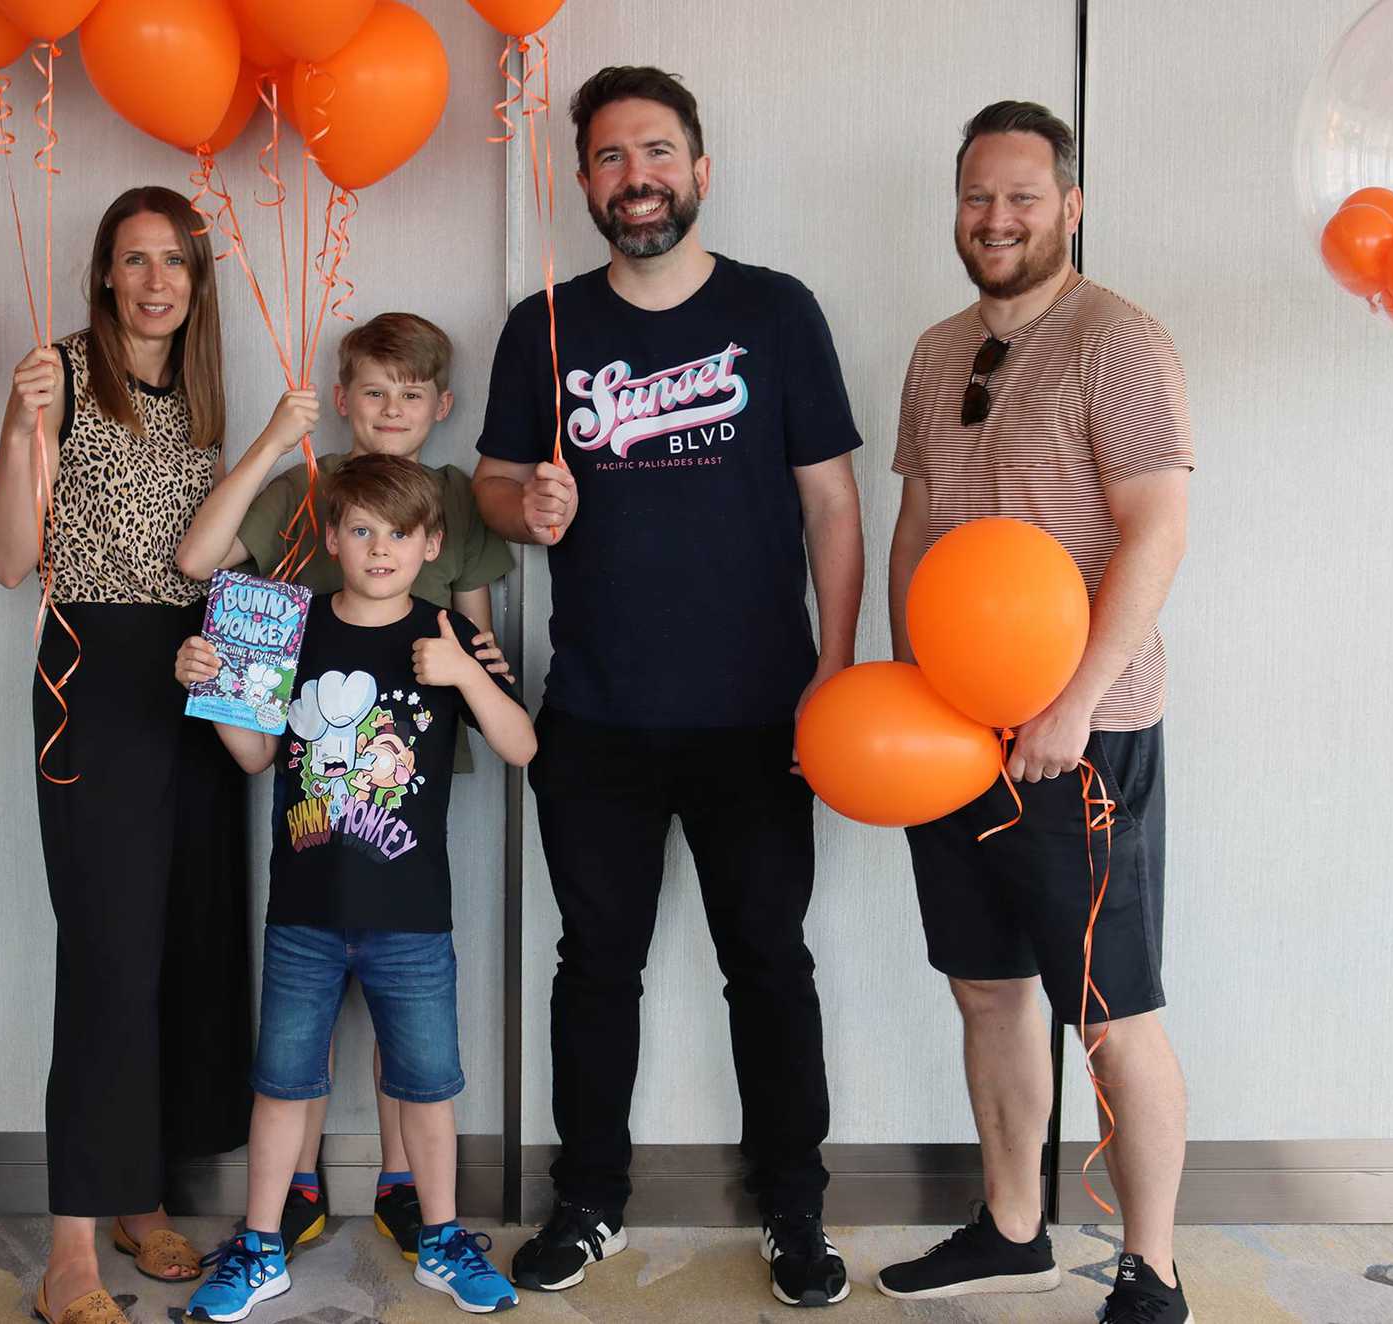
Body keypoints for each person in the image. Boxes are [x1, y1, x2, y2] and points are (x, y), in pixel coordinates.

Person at [471, 65, 865, 1308]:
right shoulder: (542, 325)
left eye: (655, 152)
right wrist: (521, 505)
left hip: (760, 713)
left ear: (699, 168)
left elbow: (832, 505)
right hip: (593, 716)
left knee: (772, 964)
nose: (633, 177)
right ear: (583, 182)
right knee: (596, 967)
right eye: (607, 158)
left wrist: (835, 677)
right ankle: (587, 1199)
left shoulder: (777, 310)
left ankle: (793, 1208)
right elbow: (487, 485)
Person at [877, 101, 1195, 1324]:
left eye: (1021, 197)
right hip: (949, 737)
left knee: (1110, 1013)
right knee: (987, 987)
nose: (995, 218)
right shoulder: (933, 347)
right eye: (976, 196)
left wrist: (1071, 703)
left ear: (1069, 204)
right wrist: (899, 685)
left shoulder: (1116, 340)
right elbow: (916, 525)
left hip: (1081, 737)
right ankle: (1013, 1228)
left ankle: (1152, 1269)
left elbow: (1156, 529)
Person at [175, 310, 517, 1257]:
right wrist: (279, 441)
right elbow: (202, 565)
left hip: (411, 764)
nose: (393, 410)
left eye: (413, 395)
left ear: (442, 406)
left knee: (408, 1018)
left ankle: (410, 1187)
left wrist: (479, 677)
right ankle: (295, 1188)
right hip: (308, 769)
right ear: (342, 400)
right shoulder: (302, 490)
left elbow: (477, 627)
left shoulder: (453, 495)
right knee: (306, 1009)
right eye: (373, 391)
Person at [0, 185, 254, 1324]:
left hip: (198, 669)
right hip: (93, 673)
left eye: (174, 262)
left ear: (196, 280)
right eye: (133, 260)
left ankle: (143, 1196)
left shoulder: (201, 392)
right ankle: (72, 1251)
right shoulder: (60, 375)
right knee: (107, 956)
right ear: (103, 274)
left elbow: (213, 549)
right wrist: (11, 430)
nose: (155, 281)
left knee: (188, 943)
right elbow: (5, 559)